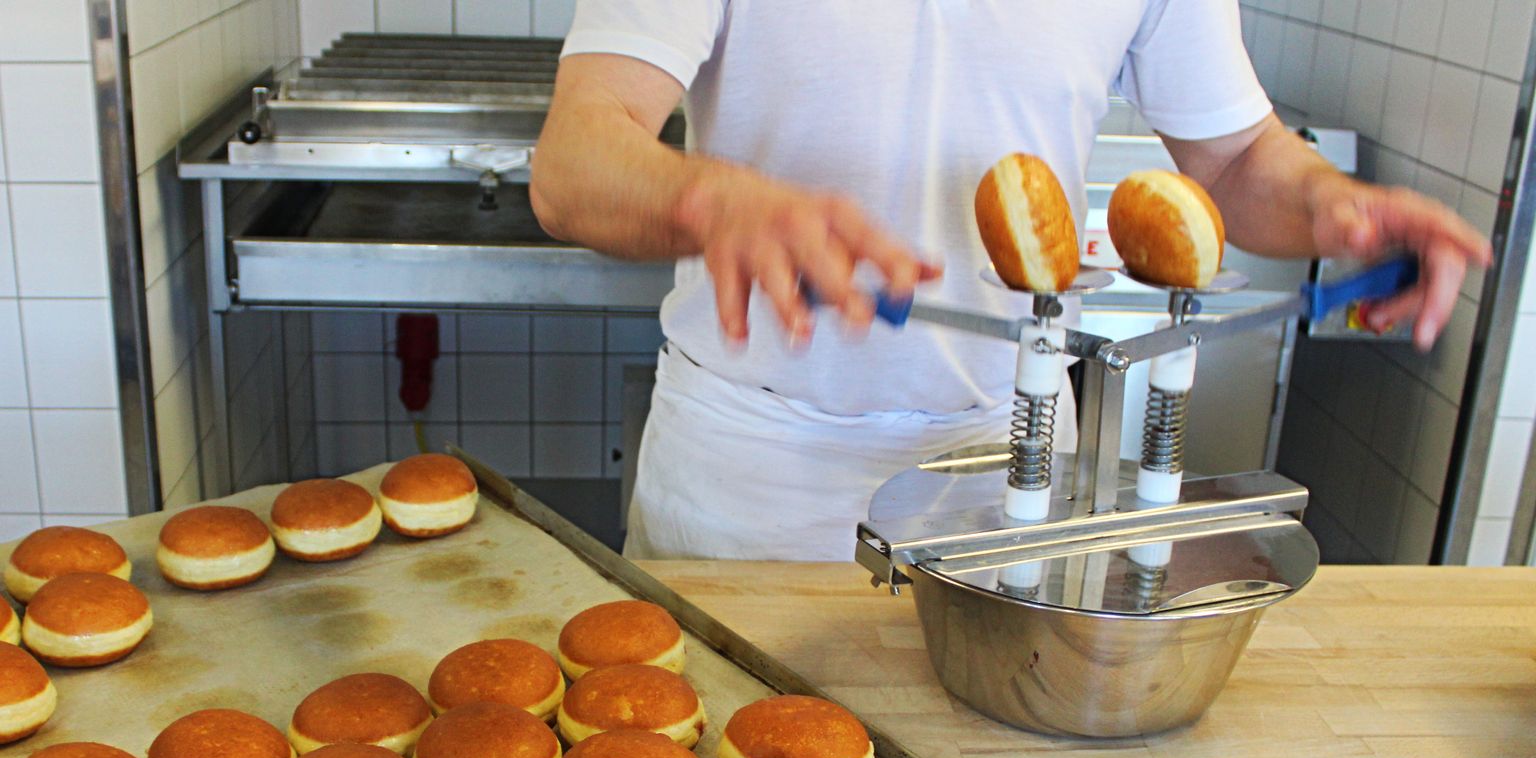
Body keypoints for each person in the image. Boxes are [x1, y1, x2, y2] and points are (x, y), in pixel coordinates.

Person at [531, 1, 1491, 561]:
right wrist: (711, 199)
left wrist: (1333, 206)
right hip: (749, 478)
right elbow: (574, 161)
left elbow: (1236, 158)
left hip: (1010, 467)